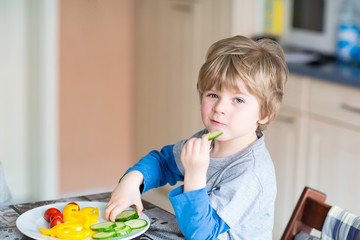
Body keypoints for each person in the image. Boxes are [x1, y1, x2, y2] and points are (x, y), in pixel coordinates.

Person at [105, 35, 288, 239]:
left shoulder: (251, 173)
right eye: (213, 95)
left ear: (264, 113)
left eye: (238, 99)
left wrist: (195, 174)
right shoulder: (208, 140)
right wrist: (133, 180)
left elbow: (202, 235)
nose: (220, 108)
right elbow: (164, 162)